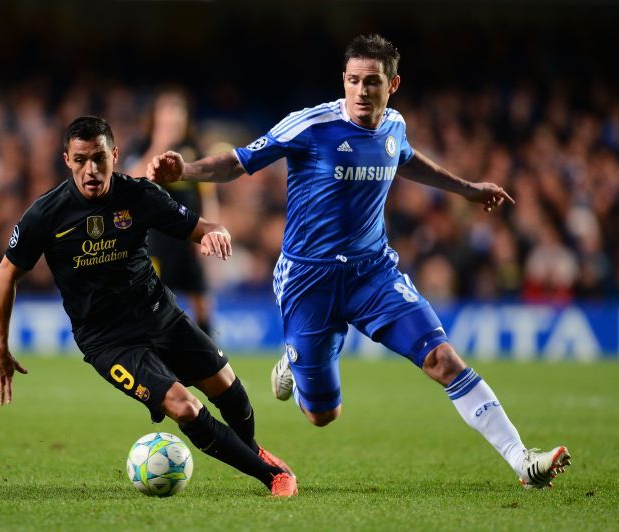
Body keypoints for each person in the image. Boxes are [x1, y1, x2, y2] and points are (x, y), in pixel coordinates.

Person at [147, 34, 571, 490]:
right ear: (343, 82)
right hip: (309, 280)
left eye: (373, 82)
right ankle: (293, 357)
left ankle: (521, 460)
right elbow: (240, 162)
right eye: (354, 81)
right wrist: (185, 172)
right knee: (322, 414)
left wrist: (467, 188)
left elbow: (405, 159)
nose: (362, 91)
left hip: (374, 274)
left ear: (393, 84)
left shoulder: (394, 127)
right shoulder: (310, 126)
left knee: (443, 359)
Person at [0, 116, 297, 497]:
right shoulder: (45, 214)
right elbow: (6, 274)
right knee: (183, 406)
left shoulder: (138, 195)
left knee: (228, 388)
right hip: (108, 340)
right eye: (81, 159)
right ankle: (272, 476)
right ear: (67, 160)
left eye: (99, 157)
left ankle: (252, 451)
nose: (92, 169)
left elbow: (202, 226)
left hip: (160, 315)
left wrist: (216, 232)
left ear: (115, 155)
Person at [125, 86, 219, 338]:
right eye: (167, 112)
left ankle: (210, 356)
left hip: (188, 235)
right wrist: (159, 144)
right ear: (156, 117)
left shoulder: (192, 149)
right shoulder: (142, 145)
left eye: (178, 112)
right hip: (155, 238)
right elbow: (129, 179)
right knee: (152, 300)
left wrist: (209, 231)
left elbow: (206, 194)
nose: (173, 118)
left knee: (201, 300)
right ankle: (149, 353)